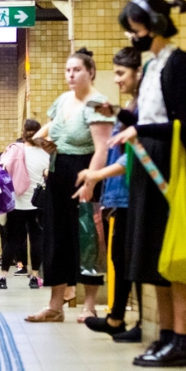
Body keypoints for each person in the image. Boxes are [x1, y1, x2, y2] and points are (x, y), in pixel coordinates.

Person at [106, 0, 186, 368]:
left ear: (156, 24)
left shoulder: (180, 63)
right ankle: (164, 335)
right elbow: (146, 118)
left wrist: (140, 130)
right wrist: (124, 122)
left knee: (174, 252)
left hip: (169, 163)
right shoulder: (151, 67)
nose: (133, 36)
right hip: (146, 162)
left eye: (137, 29)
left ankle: (183, 338)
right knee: (152, 253)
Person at [26, 49, 116, 322]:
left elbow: (102, 148)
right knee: (56, 237)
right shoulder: (64, 100)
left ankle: (89, 305)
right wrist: (40, 138)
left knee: (87, 238)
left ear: (90, 72)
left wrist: (91, 179)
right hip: (57, 172)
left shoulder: (99, 103)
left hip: (84, 172)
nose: (71, 75)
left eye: (76, 70)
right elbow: (51, 127)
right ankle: (55, 305)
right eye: (68, 70)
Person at [76, 47, 144, 341]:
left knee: (133, 259)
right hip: (118, 197)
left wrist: (96, 175)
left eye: (120, 73)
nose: (115, 80)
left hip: (132, 194)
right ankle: (116, 316)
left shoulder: (147, 108)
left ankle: (134, 319)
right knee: (120, 257)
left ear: (138, 73)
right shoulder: (133, 105)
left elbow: (135, 154)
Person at [0, 120, 53, 290]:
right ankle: (35, 277)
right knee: (36, 240)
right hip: (38, 204)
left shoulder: (13, 150)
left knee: (12, 241)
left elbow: (1, 171)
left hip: (16, 203)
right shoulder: (45, 154)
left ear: (23, 132)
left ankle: (3, 277)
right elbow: (50, 176)